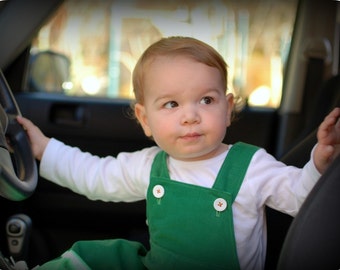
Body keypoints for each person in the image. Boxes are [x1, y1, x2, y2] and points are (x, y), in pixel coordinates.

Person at [18, 36, 340, 270]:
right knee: (89, 259)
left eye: (206, 100)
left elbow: (303, 201)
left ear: (228, 109)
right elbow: (94, 175)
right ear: (146, 120)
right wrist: (44, 149)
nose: (190, 116)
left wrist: (319, 163)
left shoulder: (250, 166)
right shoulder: (149, 165)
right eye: (171, 104)